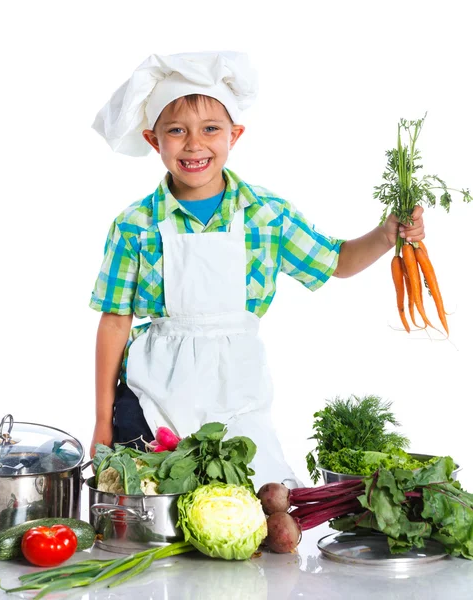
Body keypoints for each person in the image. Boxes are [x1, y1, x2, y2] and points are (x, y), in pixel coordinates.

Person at [88, 51, 424, 488]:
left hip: (237, 397)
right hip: (149, 396)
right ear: (154, 140)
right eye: (177, 131)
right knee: (145, 507)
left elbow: (336, 262)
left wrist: (386, 234)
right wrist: (101, 420)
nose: (194, 144)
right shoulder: (135, 225)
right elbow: (115, 321)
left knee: (257, 505)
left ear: (235, 134)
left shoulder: (268, 215)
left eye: (211, 129)